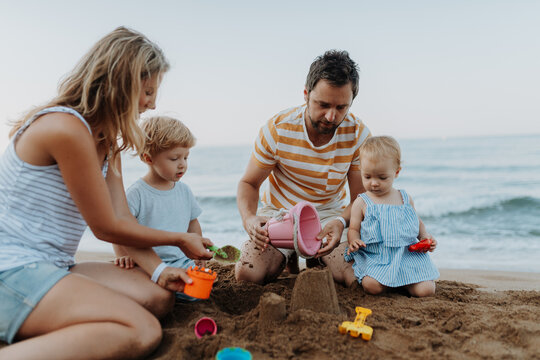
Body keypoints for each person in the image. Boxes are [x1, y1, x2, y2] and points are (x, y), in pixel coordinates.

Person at [0, 27, 214, 359]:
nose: (153, 103)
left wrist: (159, 271)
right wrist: (179, 238)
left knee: (157, 297)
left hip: (54, 265)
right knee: (141, 330)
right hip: (11, 268)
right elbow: (105, 228)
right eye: (147, 91)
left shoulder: (107, 143)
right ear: (121, 85)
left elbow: (122, 217)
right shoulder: (66, 130)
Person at [235, 50, 370, 285]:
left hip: (328, 217)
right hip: (279, 216)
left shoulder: (358, 133)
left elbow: (360, 197)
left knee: (354, 276)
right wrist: (249, 218)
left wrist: (340, 222)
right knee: (248, 274)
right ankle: (288, 256)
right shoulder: (277, 129)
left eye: (341, 107)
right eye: (323, 104)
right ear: (306, 94)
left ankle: (315, 257)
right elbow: (249, 183)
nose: (330, 116)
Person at [113, 116, 205, 301]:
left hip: (180, 260)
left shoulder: (184, 190)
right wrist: (123, 255)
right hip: (146, 261)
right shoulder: (137, 193)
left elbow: (192, 222)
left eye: (186, 157)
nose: (182, 164)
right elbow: (119, 229)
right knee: (153, 294)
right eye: (174, 158)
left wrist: (199, 250)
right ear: (148, 158)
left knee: (199, 288)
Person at [345, 136, 439, 297]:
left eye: (382, 178)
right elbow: (353, 228)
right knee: (371, 286)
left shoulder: (404, 198)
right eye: (367, 177)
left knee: (427, 290)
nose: (374, 183)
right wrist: (354, 240)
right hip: (377, 257)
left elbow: (417, 222)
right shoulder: (362, 202)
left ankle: (404, 282)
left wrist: (425, 237)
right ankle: (391, 283)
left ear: (396, 172)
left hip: (406, 255)